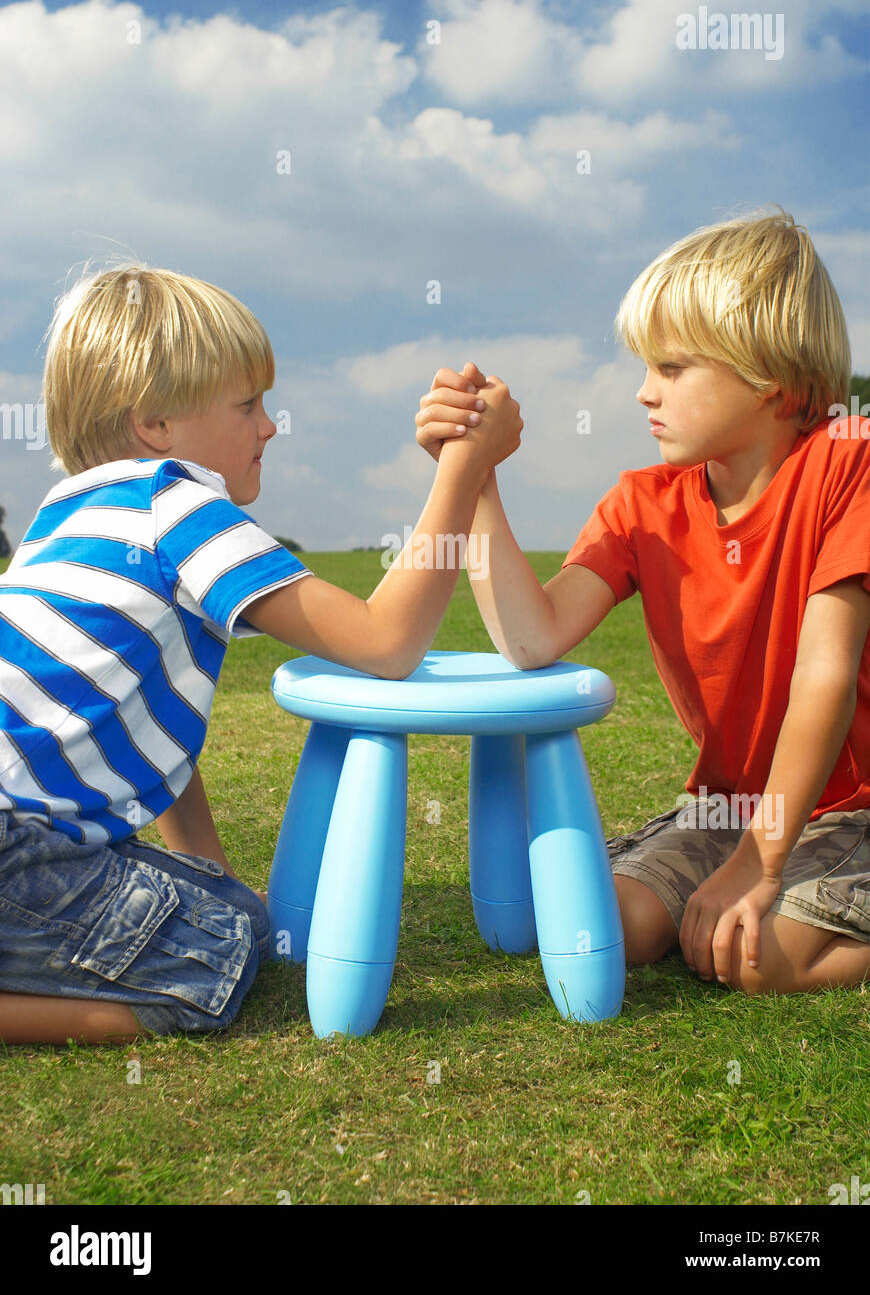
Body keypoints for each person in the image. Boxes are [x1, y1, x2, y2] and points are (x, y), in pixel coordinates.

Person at [0, 265, 522, 1045]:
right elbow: (387, 644)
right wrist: (465, 468)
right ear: (155, 425)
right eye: (248, 405)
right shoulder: (177, 505)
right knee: (219, 952)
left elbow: (138, 717)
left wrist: (213, 876)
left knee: (233, 910)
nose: (270, 426)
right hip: (16, 854)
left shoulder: (60, 520)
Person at [416, 209, 870, 996]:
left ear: (771, 379)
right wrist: (476, 473)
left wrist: (756, 867)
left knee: (754, 959)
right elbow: (532, 638)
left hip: (852, 807)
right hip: (727, 809)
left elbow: (823, 677)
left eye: (672, 367)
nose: (642, 392)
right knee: (605, 928)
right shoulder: (642, 504)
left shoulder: (848, 463)